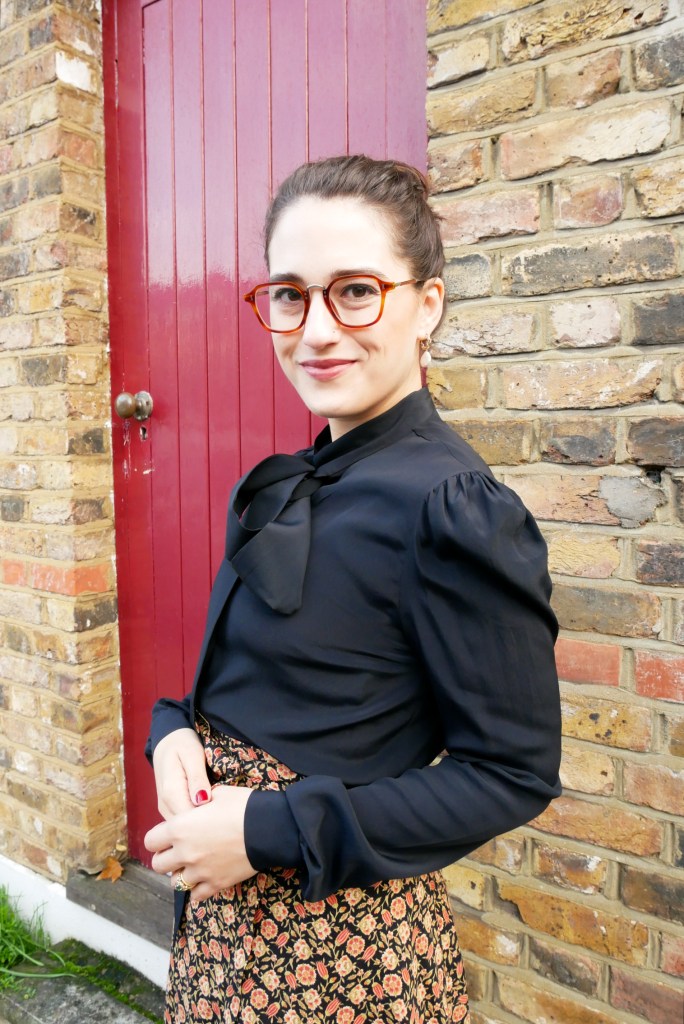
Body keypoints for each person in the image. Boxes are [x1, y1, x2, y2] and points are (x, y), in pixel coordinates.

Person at [144, 154, 562, 1024]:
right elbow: (262, 682)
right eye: (290, 295)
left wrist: (265, 831)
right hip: (225, 939)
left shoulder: (453, 506)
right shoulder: (293, 478)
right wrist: (174, 732)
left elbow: (510, 773)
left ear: (427, 308)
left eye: (356, 291)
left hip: (339, 959)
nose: (317, 329)